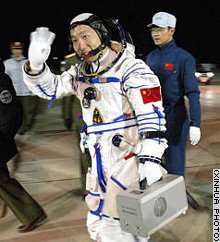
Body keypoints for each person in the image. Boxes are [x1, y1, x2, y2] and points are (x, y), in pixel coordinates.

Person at [22, 13, 168, 242]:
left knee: (122, 222)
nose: (81, 45)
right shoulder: (81, 72)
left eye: (85, 36)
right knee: (97, 215)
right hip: (97, 157)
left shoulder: (131, 68)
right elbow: (51, 89)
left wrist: (151, 159)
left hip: (126, 157)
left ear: (103, 34)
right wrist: (36, 66)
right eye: (75, 39)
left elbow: (153, 116)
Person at [146, 12, 201, 207]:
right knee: (152, 160)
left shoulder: (184, 58)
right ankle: (159, 198)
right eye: (153, 30)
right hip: (152, 117)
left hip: (175, 116)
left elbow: (192, 92)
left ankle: (178, 197)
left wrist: (196, 123)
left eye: (160, 29)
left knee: (175, 160)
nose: (155, 34)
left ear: (172, 30)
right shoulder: (150, 58)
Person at [0, 59, 47, 232]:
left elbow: (10, 114)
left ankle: (31, 214)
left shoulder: (1, 80)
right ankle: (31, 214)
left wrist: (4, 140)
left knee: (3, 181)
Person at [4, 42, 36, 134]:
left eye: (19, 49)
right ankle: (19, 127)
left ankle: (26, 126)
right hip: (13, 92)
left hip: (26, 92)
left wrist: (33, 91)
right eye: (15, 49)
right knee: (15, 112)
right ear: (12, 50)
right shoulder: (7, 63)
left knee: (26, 111)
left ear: (22, 50)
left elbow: (32, 76)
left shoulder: (28, 62)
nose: (17, 51)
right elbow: (4, 78)